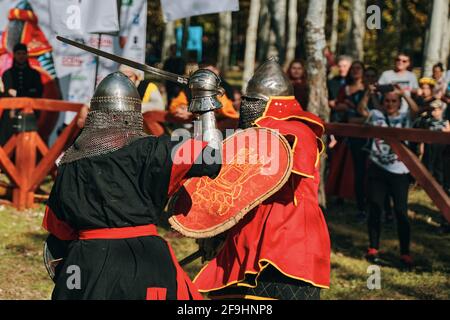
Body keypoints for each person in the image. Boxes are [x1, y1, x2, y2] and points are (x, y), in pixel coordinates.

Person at [42, 72, 222, 299]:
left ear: (95, 114)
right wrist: (205, 101)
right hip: (145, 261)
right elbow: (211, 159)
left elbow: (58, 232)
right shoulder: (154, 150)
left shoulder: (69, 161)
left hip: (87, 261)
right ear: (133, 114)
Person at [193, 58, 330, 300]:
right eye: (245, 101)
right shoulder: (251, 133)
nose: (246, 107)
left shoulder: (298, 132)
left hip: (288, 238)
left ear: (273, 104)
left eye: (253, 102)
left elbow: (267, 160)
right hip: (248, 235)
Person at [358, 88, 419, 269]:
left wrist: (404, 94)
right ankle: (373, 248)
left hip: (399, 171)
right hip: (378, 169)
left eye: (394, 101)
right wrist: (368, 94)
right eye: (387, 101)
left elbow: (415, 111)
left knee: (401, 212)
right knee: (375, 209)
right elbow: (361, 110)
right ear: (382, 102)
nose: (390, 104)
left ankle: (405, 252)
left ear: (399, 103)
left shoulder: (404, 117)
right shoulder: (376, 114)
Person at [1, 43, 43, 145]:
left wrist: (18, 93)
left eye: (23, 53)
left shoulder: (34, 74)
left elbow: (38, 92)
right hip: (10, 115)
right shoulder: (7, 73)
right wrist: (26, 92)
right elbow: (6, 94)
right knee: (6, 142)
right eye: (18, 53)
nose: (21, 56)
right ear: (14, 55)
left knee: (27, 143)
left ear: (27, 55)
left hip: (29, 113)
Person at [328, 55, 353, 122]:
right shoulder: (332, 82)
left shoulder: (354, 81)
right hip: (335, 116)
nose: (341, 69)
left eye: (344, 66)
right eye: (339, 66)